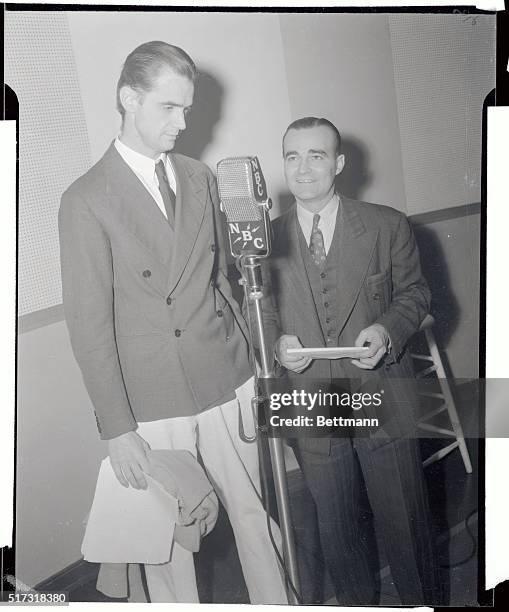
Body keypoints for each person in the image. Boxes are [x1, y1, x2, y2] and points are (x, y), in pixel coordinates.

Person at [58, 40, 287, 604]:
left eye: (187, 108)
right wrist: (117, 428)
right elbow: (89, 325)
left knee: (256, 518)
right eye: (170, 107)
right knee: (170, 547)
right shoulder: (86, 199)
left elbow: (223, 279)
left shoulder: (199, 176)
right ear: (128, 99)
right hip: (152, 401)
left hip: (225, 378)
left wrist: (256, 364)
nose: (184, 122)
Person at [257, 116, 443, 605]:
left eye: (316, 156)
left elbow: (416, 294)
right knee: (337, 532)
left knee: (405, 521)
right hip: (313, 402)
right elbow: (261, 312)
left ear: (338, 163)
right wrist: (277, 343)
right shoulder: (265, 241)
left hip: (382, 395)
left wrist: (386, 330)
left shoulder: (386, 224)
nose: (302, 169)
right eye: (292, 157)